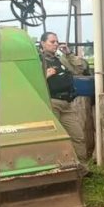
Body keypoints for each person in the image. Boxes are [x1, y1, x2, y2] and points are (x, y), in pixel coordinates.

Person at [38, 32, 88, 161]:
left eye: (57, 42)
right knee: (53, 137)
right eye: (52, 42)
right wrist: (45, 76)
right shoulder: (37, 60)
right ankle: (53, 165)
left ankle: (80, 167)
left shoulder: (61, 59)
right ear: (43, 43)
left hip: (67, 104)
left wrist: (68, 53)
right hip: (51, 103)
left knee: (78, 136)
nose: (56, 44)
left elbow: (79, 69)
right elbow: (31, 83)